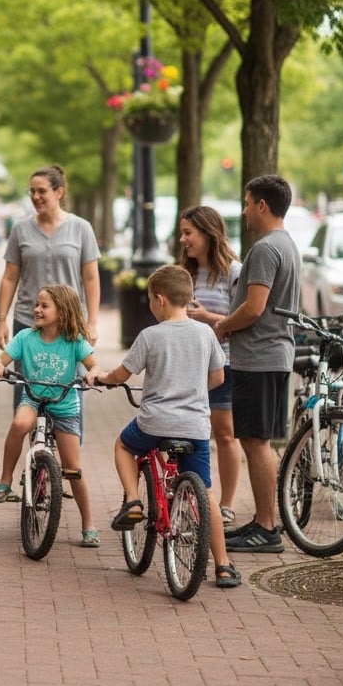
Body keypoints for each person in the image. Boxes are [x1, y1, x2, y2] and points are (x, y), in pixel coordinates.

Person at [92, 265, 241, 588]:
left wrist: (103, 377)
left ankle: (132, 499)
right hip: (196, 426)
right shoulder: (204, 333)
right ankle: (224, 565)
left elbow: (123, 374)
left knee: (123, 446)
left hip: (156, 422)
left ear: (160, 300)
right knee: (207, 493)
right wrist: (193, 390)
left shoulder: (150, 336)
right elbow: (217, 377)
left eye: (149, 300)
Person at [215, 175, 301, 554]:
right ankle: (262, 522)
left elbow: (253, 307)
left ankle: (266, 526)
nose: (245, 209)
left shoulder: (266, 249)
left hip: (260, 356)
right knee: (254, 438)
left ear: (262, 205)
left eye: (248, 203)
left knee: (255, 440)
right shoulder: (286, 244)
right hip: (270, 355)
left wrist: (222, 325)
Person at [0, 284, 101, 547]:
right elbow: (2, 359)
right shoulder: (26, 337)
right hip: (33, 398)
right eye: (36, 304)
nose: (37, 309)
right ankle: (5, 480)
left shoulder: (74, 342)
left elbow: (94, 364)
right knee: (19, 424)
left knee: (73, 469)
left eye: (44, 306)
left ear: (63, 311)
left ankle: (88, 524)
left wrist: (93, 373)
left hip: (64, 405)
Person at [0, 165, 101, 409]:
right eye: (32, 191)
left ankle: (70, 441)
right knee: (26, 387)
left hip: (69, 322)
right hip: (28, 318)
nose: (35, 197)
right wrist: (1, 320)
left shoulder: (81, 228)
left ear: (59, 192)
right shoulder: (21, 229)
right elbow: (10, 277)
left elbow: (91, 278)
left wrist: (92, 322)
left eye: (42, 191)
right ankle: (33, 442)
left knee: (69, 387)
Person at [178, 206, 242, 526]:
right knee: (188, 430)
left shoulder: (233, 272)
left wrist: (207, 318)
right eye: (183, 233)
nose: (183, 239)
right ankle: (190, 496)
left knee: (224, 433)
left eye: (189, 233)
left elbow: (244, 321)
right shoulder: (184, 274)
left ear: (207, 233)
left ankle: (226, 503)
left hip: (222, 364)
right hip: (188, 366)